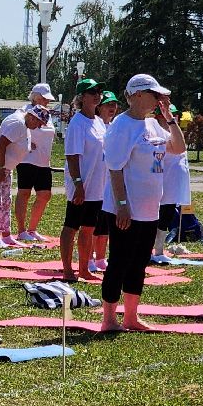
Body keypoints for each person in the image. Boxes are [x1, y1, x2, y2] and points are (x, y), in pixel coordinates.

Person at [102, 74, 186, 331]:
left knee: (139, 263)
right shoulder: (122, 126)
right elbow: (115, 168)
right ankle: (109, 319)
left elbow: (178, 148)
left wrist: (169, 118)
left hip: (150, 209)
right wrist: (122, 205)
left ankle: (131, 316)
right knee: (119, 261)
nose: (159, 99)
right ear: (138, 95)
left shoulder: (152, 125)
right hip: (127, 208)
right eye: (155, 94)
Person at [58, 78, 105, 282]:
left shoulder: (99, 122)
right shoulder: (77, 123)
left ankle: (84, 269)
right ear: (82, 97)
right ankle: (68, 270)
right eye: (92, 92)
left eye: (98, 92)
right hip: (81, 184)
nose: (97, 95)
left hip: (97, 185)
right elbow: (72, 156)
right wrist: (78, 184)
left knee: (89, 228)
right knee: (72, 226)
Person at [0, 104, 51, 249]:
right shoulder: (18, 123)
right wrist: (0, 168)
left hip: (6, 167)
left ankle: (6, 235)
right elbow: (1, 144)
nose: (39, 127)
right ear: (33, 118)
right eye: (39, 123)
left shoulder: (24, 125)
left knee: (6, 201)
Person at [14, 83, 57, 243]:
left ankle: (32, 229)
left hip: (44, 162)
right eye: (45, 98)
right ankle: (21, 230)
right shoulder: (23, 111)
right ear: (36, 97)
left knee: (45, 195)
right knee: (24, 193)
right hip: (27, 159)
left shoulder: (47, 114)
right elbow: (15, 128)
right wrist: (25, 142)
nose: (47, 102)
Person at [152, 105, 193, 265]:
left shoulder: (176, 133)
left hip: (174, 186)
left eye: (175, 115)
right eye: (169, 115)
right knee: (156, 218)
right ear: (158, 117)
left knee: (166, 218)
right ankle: (149, 250)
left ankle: (159, 250)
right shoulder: (156, 134)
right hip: (160, 184)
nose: (173, 117)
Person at [89, 90, 122, 272]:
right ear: (99, 107)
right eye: (108, 104)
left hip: (109, 183)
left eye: (114, 105)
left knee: (105, 225)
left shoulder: (115, 127)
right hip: (95, 182)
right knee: (92, 225)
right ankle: (89, 257)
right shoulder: (95, 125)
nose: (112, 108)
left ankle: (101, 258)